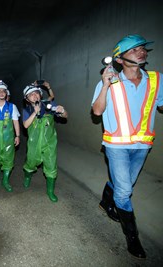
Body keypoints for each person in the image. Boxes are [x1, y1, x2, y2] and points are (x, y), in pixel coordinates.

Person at [92, 34, 163, 259]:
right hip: (116, 146)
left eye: (142, 48)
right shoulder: (110, 82)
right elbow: (97, 111)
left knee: (125, 183)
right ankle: (132, 238)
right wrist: (104, 85)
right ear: (120, 59)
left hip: (142, 145)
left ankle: (105, 201)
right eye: (134, 50)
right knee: (124, 192)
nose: (141, 52)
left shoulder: (157, 80)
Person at [22, 83, 68, 202]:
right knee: (30, 164)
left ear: (40, 95)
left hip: (49, 143)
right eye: (30, 95)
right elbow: (26, 125)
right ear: (27, 99)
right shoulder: (27, 110)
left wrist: (62, 111)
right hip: (34, 144)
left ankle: (50, 191)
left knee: (51, 166)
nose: (34, 96)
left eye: (36, 93)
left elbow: (65, 116)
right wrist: (35, 112)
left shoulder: (49, 105)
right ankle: (27, 177)